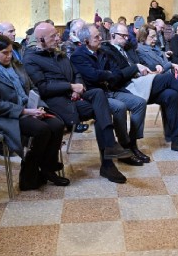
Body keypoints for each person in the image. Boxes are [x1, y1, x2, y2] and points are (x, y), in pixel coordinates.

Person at [25, 23, 135, 181]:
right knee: (100, 109)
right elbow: (43, 87)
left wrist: (78, 87)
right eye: (53, 36)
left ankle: (108, 161)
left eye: (57, 35)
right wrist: (70, 87)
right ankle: (109, 157)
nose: (58, 38)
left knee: (98, 97)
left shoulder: (59, 54)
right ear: (41, 39)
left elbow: (76, 73)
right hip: (57, 103)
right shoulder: (31, 58)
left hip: (74, 98)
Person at [100, 23, 178, 157]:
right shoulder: (107, 51)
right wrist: (135, 68)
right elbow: (115, 78)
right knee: (169, 79)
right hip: (128, 87)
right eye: (123, 36)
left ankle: (176, 141)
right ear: (112, 35)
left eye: (127, 35)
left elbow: (143, 63)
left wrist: (151, 68)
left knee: (172, 95)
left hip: (142, 82)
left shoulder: (128, 48)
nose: (126, 38)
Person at [0, 35, 69, 191]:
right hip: (1, 115)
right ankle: (30, 173)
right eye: (4, 53)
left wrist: (38, 107)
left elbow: (32, 88)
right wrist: (25, 111)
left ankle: (46, 168)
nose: (9, 56)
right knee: (42, 130)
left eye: (11, 52)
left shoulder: (16, 65)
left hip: (27, 108)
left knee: (57, 125)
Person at [70, 24, 149, 171]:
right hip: (95, 94)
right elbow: (92, 76)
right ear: (86, 41)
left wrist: (105, 75)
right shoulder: (78, 56)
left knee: (139, 103)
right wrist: (107, 74)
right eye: (97, 37)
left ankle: (132, 143)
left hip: (111, 89)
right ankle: (124, 146)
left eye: (100, 35)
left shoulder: (103, 52)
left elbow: (117, 73)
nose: (101, 38)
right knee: (119, 107)